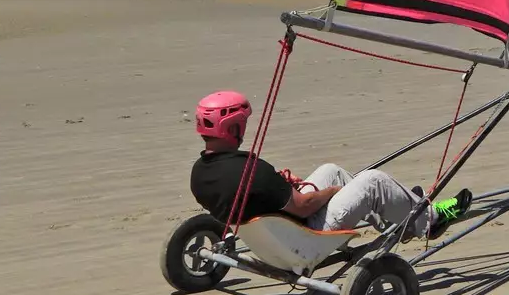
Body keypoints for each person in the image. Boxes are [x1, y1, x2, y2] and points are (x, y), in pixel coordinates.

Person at [188, 89, 469, 237]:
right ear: (233, 128)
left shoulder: (199, 173)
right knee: (373, 181)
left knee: (331, 170)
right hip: (305, 236)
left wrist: (281, 187)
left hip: (271, 233)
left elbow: (259, 196)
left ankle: (397, 216)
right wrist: (331, 193)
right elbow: (303, 206)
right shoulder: (251, 171)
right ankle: (431, 220)